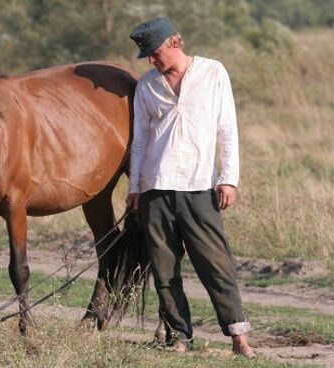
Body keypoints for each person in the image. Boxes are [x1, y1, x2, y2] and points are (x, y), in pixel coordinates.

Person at [126, 17, 255, 357]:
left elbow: (227, 128)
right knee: (164, 270)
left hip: (200, 187)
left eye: (154, 53)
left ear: (174, 42)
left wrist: (229, 178)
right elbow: (139, 142)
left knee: (216, 265)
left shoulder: (213, 73)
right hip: (156, 188)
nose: (151, 61)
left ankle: (239, 337)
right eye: (147, 56)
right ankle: (181, 338)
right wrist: (136, 187)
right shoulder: (146, 86)